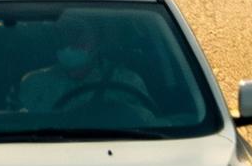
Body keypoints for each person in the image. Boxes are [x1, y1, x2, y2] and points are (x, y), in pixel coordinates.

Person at [19, 17, 155, 119]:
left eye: (78, 33)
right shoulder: (34, 83)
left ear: (98, 40)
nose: (69, 40)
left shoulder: (127, 83)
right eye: (62, 34)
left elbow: (147, 124)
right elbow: (20, 124)